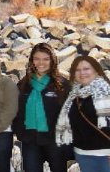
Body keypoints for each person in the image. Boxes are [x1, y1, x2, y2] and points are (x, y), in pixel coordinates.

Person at [55, 55, 110, 172]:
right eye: (77, 70)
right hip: (84, 155)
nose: (82, 73)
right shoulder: (73, 97)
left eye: (86, 69)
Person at [13, 43, 70, 172]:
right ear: (32, 60)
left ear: (52, 61)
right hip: (30, 140)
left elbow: (71, 113)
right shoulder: (23, 84)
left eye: (45, 59)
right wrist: (19, 131)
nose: (41, 63)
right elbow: (15, 110)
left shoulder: (62, 85)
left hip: (55, 142)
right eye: (37, 58)